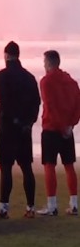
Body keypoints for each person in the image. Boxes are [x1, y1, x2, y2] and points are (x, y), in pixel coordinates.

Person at [0, 42, 41, 219]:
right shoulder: (29, 77)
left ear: (6, 55)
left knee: (6, 168)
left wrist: (16, 120)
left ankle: (3, 208)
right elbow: (37, 102)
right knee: (27, 168)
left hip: (8, 128)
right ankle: (31, 207)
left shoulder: (2, 76)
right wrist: (28, 122)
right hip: (24, 130)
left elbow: (4, 101)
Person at [37, 50, 80, 216]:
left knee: (49, 165)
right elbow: (78, 105)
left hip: (51, 128)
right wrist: (70, 124)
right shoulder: (72, 82)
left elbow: (51, 105)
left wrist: (62, 125)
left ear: (49, 63)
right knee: (69, 166)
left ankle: (52, 204)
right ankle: (74, 203)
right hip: (67, 130)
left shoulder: (46, 81)